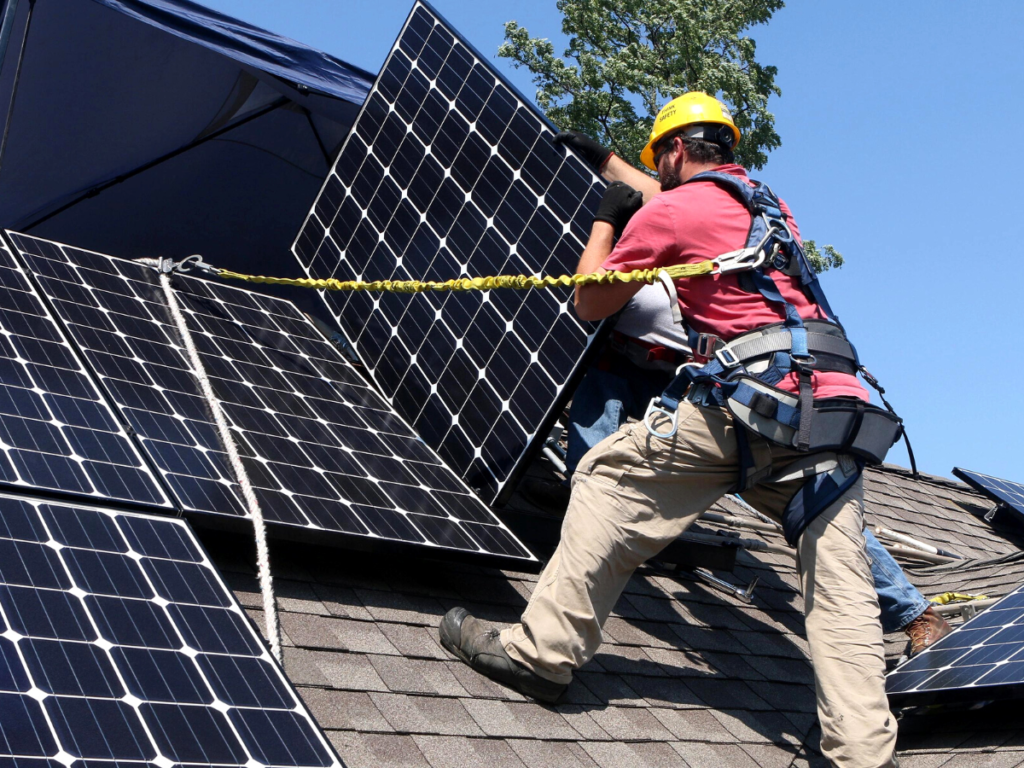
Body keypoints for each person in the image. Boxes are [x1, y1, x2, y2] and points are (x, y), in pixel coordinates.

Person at [441, 92, 909, 766]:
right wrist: (609, 163)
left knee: (606, 477)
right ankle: (863, 751)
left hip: (746, 400)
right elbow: (679, 198)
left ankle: (541, 654)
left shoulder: (674, 207)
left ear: (676, 150)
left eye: (657, 160)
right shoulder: (767, 206)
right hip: (829, 407)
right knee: (839, 583)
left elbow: (588, 299)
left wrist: (606, 222)